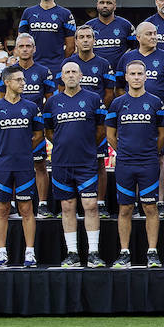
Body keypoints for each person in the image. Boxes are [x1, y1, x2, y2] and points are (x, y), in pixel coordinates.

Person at [116, 21, 164, 218]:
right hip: (130, 118)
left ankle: (159, 200)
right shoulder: (127, 58)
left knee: (158, 157)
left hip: (156, 117)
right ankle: (134, 202)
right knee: (133, 160)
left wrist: (163, 108)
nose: (154, 37)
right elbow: (119, 87)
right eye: (149, 34)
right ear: (138, 37)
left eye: (155, 33)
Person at [106, 61, 164, 268]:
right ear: (126, 77)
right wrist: (123, 151)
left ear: (145, 76)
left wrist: (151, 152)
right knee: (125, 208)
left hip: (148, 163)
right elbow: (110, 134)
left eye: (140, 73)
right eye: (132, 73)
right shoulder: (117, 103)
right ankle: (124, 252)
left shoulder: (156, 102)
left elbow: (162, 134)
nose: (136, 77)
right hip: (125, 163)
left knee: (150, 207)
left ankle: (152, 252)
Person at [43, 61, 105, 268]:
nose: (70, 75)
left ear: (81, 76)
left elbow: (100, 129)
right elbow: (49, 132)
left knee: (90, 205)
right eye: (67, 72)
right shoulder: (52, 103)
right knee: (67, 207)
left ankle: (94, 252)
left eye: (74, 72)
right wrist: (62, 144)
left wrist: (87, 146)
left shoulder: (93, 99)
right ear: (61, 77)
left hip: (86, 162)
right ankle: (72, 253)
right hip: (61, 162)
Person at [0, 64, 43, 268]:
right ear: (7, 82)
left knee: (26, 209)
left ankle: (30, 253)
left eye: (23, 79)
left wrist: (23, 149)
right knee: (3, 209)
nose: (23, 83)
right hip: (2, 165)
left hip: (25, 165)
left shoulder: (31, 107)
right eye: (19, 80)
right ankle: (1, 254)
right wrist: (4, 149)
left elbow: (37, 135)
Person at [0, 33, 54, 220]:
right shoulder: (7, 73)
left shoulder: (44, 71)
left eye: (28, 46)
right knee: (13, 164)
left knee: (40, 164)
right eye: (21, 46)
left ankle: (43, 204)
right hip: (13, 128)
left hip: (34, 128)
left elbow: (50, 101)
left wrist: (42, 125)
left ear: (34, 48)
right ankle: (12, 203)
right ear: (16, 50)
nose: (25, 49)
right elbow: (1, 102)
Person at [59, 24, 114, 211]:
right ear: (75, 41)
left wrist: (96, 116)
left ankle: (100, 202)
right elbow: (61, 92)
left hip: (96, 124)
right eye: (81, 37)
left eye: (88, 36)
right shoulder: (68, 64)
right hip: (72, 122)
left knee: (99, 162)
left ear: (94, 40)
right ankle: (72, 203)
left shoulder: (103, 64)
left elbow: (109, 94)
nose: (85, 40)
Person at [18, 0, 75, 76]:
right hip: (32, 66)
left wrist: (60, 63)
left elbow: (71, 46)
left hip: (56, 68)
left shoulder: (65, 14)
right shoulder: (28, 13)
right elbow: (21, 40)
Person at [83, 0, 135, 71]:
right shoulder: (88, 27)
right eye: (102, 3)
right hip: (95, 72)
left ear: (115, 6)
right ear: (97, 5)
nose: (105, 6)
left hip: (119, 73)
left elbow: (135, 48)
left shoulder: (125, 25)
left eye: (109, 3)